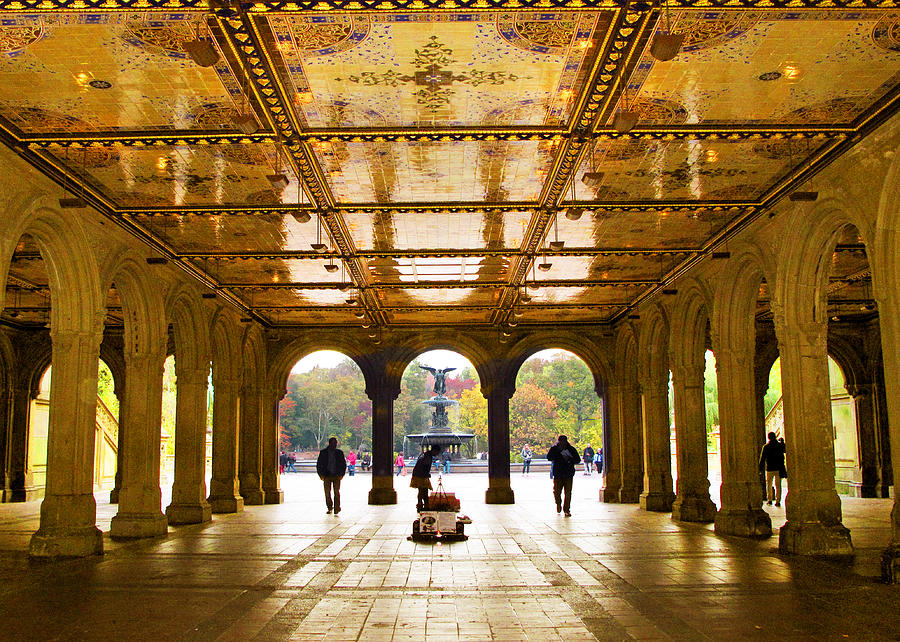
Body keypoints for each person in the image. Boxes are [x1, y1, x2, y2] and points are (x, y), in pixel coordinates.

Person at [547, 435, 579, 516]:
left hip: (568, 473)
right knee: (557, 492)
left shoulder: (571, 449)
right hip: (558, 473)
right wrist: (558, 453)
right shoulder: (554, 449)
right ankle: (558, 503)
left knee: (568, 493)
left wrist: (569, 459)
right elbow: (549, 457)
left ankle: (566, 509)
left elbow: (577, 459)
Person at [316, 437, 346, 515]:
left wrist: (342, 474)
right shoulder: (323, 453)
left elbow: (343, 464)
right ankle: (330, 507)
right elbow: (319, 464)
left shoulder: (339, 453)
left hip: (336, 475)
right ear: (330, 443)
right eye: (334, 443)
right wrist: (321, 474)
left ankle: (336, 507)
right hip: (327, 475)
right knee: (327, 492)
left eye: (335, 443)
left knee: (336, 492)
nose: (335, 445)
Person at [759, 432, 786, 507]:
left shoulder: (766, 447)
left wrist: (760, 468)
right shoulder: (779, 446)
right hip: (778, 468)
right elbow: (785, 450)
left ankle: (769, 499)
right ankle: (778, 501)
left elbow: (762, 458)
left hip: (769, 468)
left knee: (769, 484)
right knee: (778, 485)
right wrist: (782, 442)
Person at [410, 445, 442, 511]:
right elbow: (425, 465)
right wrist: (427, 474)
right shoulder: (428, 456)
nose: (437, 454)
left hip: (418, 474)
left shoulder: (426, 454)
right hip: (420, 475)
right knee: (423, 490)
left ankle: (421, 505)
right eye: (437, 452)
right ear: (434, 451)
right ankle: (423, 505)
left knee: (421, 490)